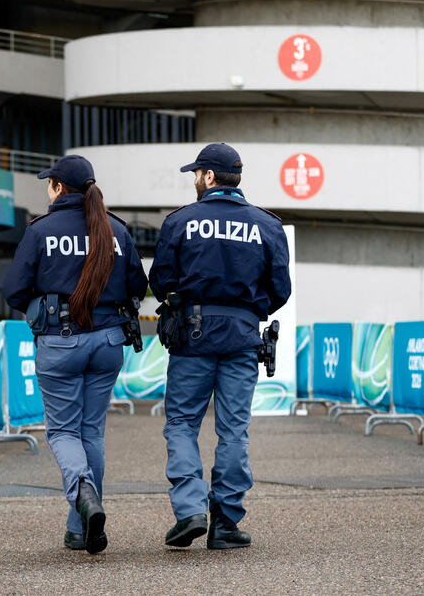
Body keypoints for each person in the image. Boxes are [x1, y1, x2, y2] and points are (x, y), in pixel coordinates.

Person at [2, 154, 148, 555]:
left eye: (49, 184)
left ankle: (83, 491)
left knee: (63, 432)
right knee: (91, 432)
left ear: (58, 188)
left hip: (61, 341)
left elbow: (14, 290)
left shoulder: (41, 231)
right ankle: (80, 528)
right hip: (108, 343)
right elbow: (138, 285)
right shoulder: (117, 230)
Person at [149, 143, 291, 550]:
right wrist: (245, 311)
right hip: (243, 337)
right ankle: (225, 522)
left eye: (197, 173)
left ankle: (190, 510)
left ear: (209, 176)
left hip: (192, 336)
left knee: (181, 423)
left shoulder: (180, 221)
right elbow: (280, 289)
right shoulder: (266, 224)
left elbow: (160, 281)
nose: (195, 179)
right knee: (233, 430)